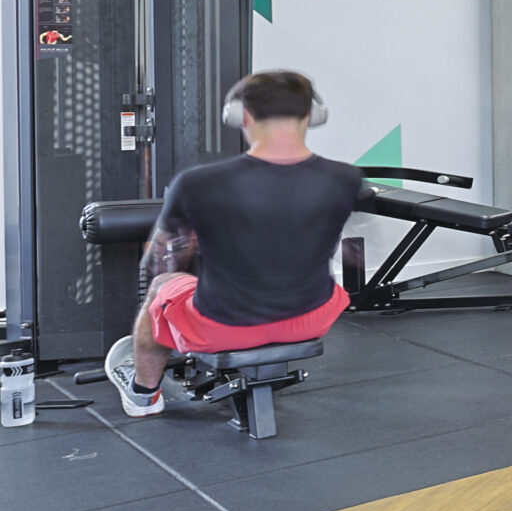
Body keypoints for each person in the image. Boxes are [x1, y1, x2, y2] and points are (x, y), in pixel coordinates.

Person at [103, 70, 363, 417]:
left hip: (224, 328)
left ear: (242, 116)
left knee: (161, 288)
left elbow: (157, 262)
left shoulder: (197, 183)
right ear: (313, 116)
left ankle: (143, 395)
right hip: (314, 317)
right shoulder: (346, 178)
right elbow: (337, 248)